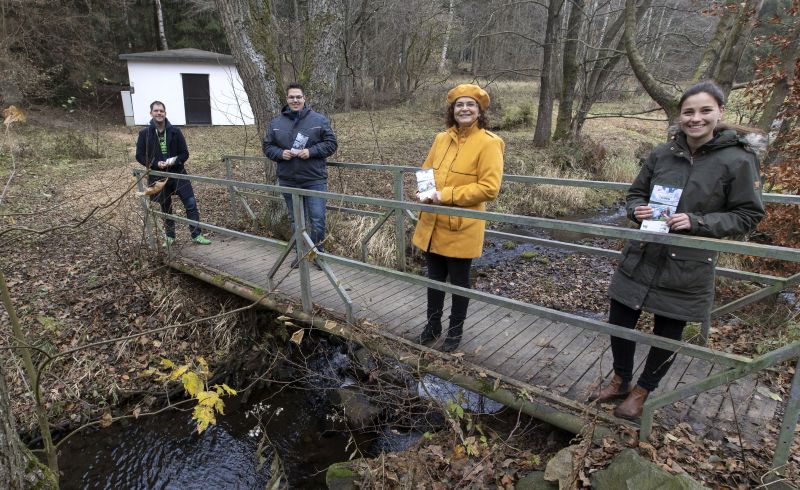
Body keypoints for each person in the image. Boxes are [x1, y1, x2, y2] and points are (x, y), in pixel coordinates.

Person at [589, 81, 765, 419]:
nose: (695, 118)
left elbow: (748, 215)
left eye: (704, 111)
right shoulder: (662, 153)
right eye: (689, 112)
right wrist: (636, 210)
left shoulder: (739, 160)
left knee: (668, 332)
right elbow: (635, 195)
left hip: (687, 263)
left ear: (720, 113)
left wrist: (696, 222)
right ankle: (621, 380)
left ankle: (642, 392)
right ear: (680, 115)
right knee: (620, 318)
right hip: (643, 254)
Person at [412, 84, 505, 352]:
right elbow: (426, 171)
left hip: (461, 226)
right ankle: (432, 326)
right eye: (459, 105)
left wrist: (445, 195)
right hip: (432, 222)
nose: (464, 109)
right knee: (434, 279)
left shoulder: (490, 143)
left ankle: (454, 332)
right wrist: (423, 191)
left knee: (460, 284)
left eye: (470, 105)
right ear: (452, 110)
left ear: (479, 111)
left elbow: (490, 188)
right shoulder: (441, 139)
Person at [262, 82, 338, 269]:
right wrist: (280, 154)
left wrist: (311, 152)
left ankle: (318, 255)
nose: (295, 100)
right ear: (286, 100)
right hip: (289, 180)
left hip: (314, 179)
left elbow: (331, 144)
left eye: (298, 97)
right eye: (291, 97)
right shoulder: (276, 123)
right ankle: (301, 254)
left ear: (304, 99)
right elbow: (267, 147)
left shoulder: (319, 120)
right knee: (296, 221)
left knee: (318, 219)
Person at [135, 101, 211, 246]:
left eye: (161, 111)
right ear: (151, 113)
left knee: (191, 203)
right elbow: (139, 155)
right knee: (166, 206)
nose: (159, 113)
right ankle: (170, 236)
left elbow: (185, 154)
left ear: (165, 113)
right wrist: (154, 163)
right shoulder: (145, 133)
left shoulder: (175, 131)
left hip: (178, 173)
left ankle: (197, 235)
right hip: (158, 175)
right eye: (156, 111)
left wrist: (173, 161)